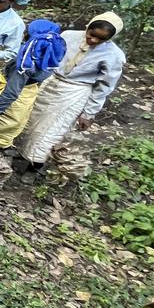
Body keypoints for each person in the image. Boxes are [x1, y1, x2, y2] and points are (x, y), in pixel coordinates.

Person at [16, 12, 126, 183]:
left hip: (75, 91)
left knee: (52, 129)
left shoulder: (114, 55)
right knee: (31, 120)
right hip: (51, 80)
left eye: (100, 39)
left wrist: (89, 113)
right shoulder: (68, 36)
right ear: (87, 27)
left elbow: (104, 86)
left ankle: (35, 165)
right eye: (92, 35)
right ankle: (22, 153)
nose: (94, 40)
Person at [0, 19, 66, 150]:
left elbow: (12, 92)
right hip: (26, 98)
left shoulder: (27, 62)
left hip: (11, 100)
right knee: (5, 132)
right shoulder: (49, 56)